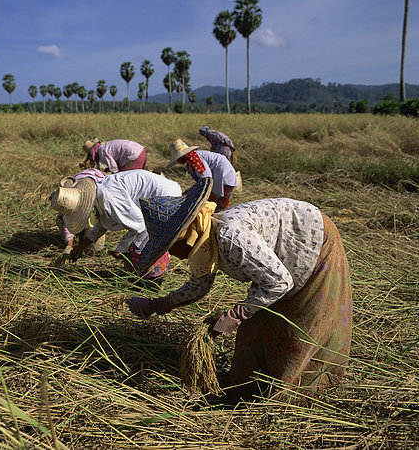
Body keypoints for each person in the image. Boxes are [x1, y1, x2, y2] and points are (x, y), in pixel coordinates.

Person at [127, 178, 353, 401]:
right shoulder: (205, 242)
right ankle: (243, 390)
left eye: (169, 247)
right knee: (253, 328)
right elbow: (199, 285)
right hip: (277, 266)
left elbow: (279, 282)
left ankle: (292, 400)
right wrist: (157, 304)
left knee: (297, 330)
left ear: (184, 236)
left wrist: (234, 316)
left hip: (310, 242)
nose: (171, 255)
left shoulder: (230, 237)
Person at [50, 170, 182, 280]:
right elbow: (102, 225)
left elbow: (140, 224)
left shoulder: (109, 198)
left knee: (141, 249)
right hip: (156, 199)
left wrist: (121, 249)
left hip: (165, 199)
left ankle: (148, 284)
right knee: (134, 249)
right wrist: (81, 246)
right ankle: (137, 277)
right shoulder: (99, 192)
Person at [167, 139, 238, 210]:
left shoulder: (194, 159)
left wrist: (191, 192)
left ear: (181, 156)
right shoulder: (191, 160)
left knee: (219, 204)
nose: (178, 161)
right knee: (213, 204)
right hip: (221, 175)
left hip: (224, 175)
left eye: (178, 159)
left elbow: (206, 178)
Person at [54, 168, 106, 255]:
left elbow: (105, 221)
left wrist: (83, 245)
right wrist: (69, 245)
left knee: (94, 250)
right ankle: (79, 234)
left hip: (96, 218)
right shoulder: (68, 201)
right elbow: (67, 224)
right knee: (59, 219)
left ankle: (84, 234)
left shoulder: (97, 198)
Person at [82, 138, 147, 173]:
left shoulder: (101, 151)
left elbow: (114, 169)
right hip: (141, 151)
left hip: (132, 155)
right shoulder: (106, 146)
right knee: (137, 175)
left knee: (125, 177)